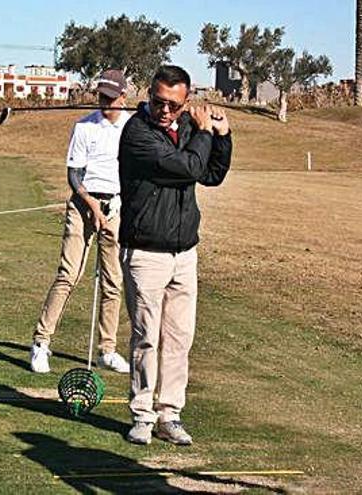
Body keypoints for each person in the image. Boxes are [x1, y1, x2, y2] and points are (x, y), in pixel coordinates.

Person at [118, 65, 231, 446]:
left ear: (184, 103)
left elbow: (212, 173)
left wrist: (223, 134)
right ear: (149, 96)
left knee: (179, 338)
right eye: (158, 102)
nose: (165, 110)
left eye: (173, 105)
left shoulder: (184, 128)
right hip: (146, 251)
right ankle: (142, 415)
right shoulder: (137, 134)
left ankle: (170, 414)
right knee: (146, 337)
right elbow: (189, 166)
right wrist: (201, 131)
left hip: (185, 252)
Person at [30, 69, 132, 375]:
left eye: (111, 98)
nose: (105, 102)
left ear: (123, 97)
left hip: (115, 205)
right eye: (102, 96)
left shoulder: (132, 127)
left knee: (113, 282)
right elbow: (73, 175)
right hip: (82, 203)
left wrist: (115, 204)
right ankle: (40, 343)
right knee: (68, 274)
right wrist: (91, 206)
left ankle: (107, 350)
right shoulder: (84, 126)